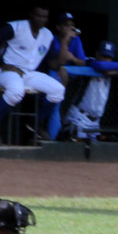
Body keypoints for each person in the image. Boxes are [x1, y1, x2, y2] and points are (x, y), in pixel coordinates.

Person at [0, 4, 65, 144]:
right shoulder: (16, 27)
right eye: (39, 15)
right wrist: (2, 62)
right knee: (16, 91)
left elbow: (53, 63)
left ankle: (35, 124)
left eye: (45, 16)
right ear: (31, 15)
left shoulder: (47, 35)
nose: (42, 19)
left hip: (28, 73)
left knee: (58, 90)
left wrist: (64, 47)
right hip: (4, 70)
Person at [60, 40, 118, 142]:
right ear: (97, 54)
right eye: (103, 56)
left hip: (95, 121)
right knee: (78, 146)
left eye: (109, 57)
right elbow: (101, 66)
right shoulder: (90, 62)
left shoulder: (114, 67)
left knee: (96, 150)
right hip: (79, 116)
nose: (106, 60)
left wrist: (114, 71)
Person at [46, 11, 87, 140]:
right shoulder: (52, 39)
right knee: (54, 107)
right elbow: (61, 62)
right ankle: (53, 139)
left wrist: (74, 58)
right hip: (50, 78)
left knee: (63, 109)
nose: (70, 28)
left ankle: (58, 137)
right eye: (66, 25)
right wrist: (65, 41)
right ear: (58, 27)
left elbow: (82, 62)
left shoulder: (76, 39)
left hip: (70, 82)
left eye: (71, 25)